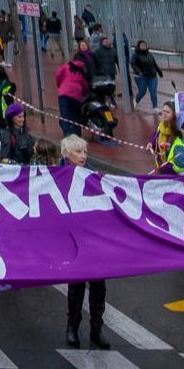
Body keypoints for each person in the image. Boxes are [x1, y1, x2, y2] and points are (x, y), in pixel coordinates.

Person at [58, 134, 110, 348]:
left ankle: (97, 329)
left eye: (85, 152)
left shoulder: (92, 174)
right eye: (78, 152)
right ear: (66, 154)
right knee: (76, 285)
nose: (83, 156)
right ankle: (72, 327)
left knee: (99, 286)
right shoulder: (56, 175)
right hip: (72, 237)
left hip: (93, 236)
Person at [129, 40, 162, 109]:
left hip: (152, 76)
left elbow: (154, 64)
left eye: (145, 45)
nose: (144, 47)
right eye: (142, 45)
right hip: (141, 77)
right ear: (139, 46)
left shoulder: (149, 54)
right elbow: (133, 64)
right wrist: (138, 71)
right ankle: (136, 100)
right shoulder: (136, 55)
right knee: (142, 91)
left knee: (153, 91)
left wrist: (159, 71)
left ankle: (155, 107)